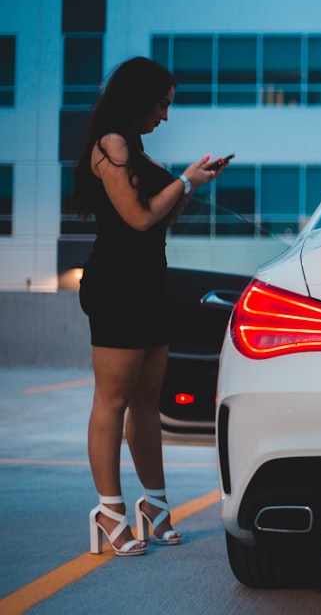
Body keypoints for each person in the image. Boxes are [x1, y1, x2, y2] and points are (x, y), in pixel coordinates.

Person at [73, 57, 223, 556]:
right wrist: (183, 182)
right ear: (138, 99)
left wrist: (191, 183)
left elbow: (161, 220)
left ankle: (154, 505)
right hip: (116, 286)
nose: (165, 115)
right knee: (112, 399)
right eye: (161, 104)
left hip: (148, 284)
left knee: (147, 401)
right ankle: (109, 509)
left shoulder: (137, 153)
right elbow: (137, 219)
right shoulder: (110, 145)